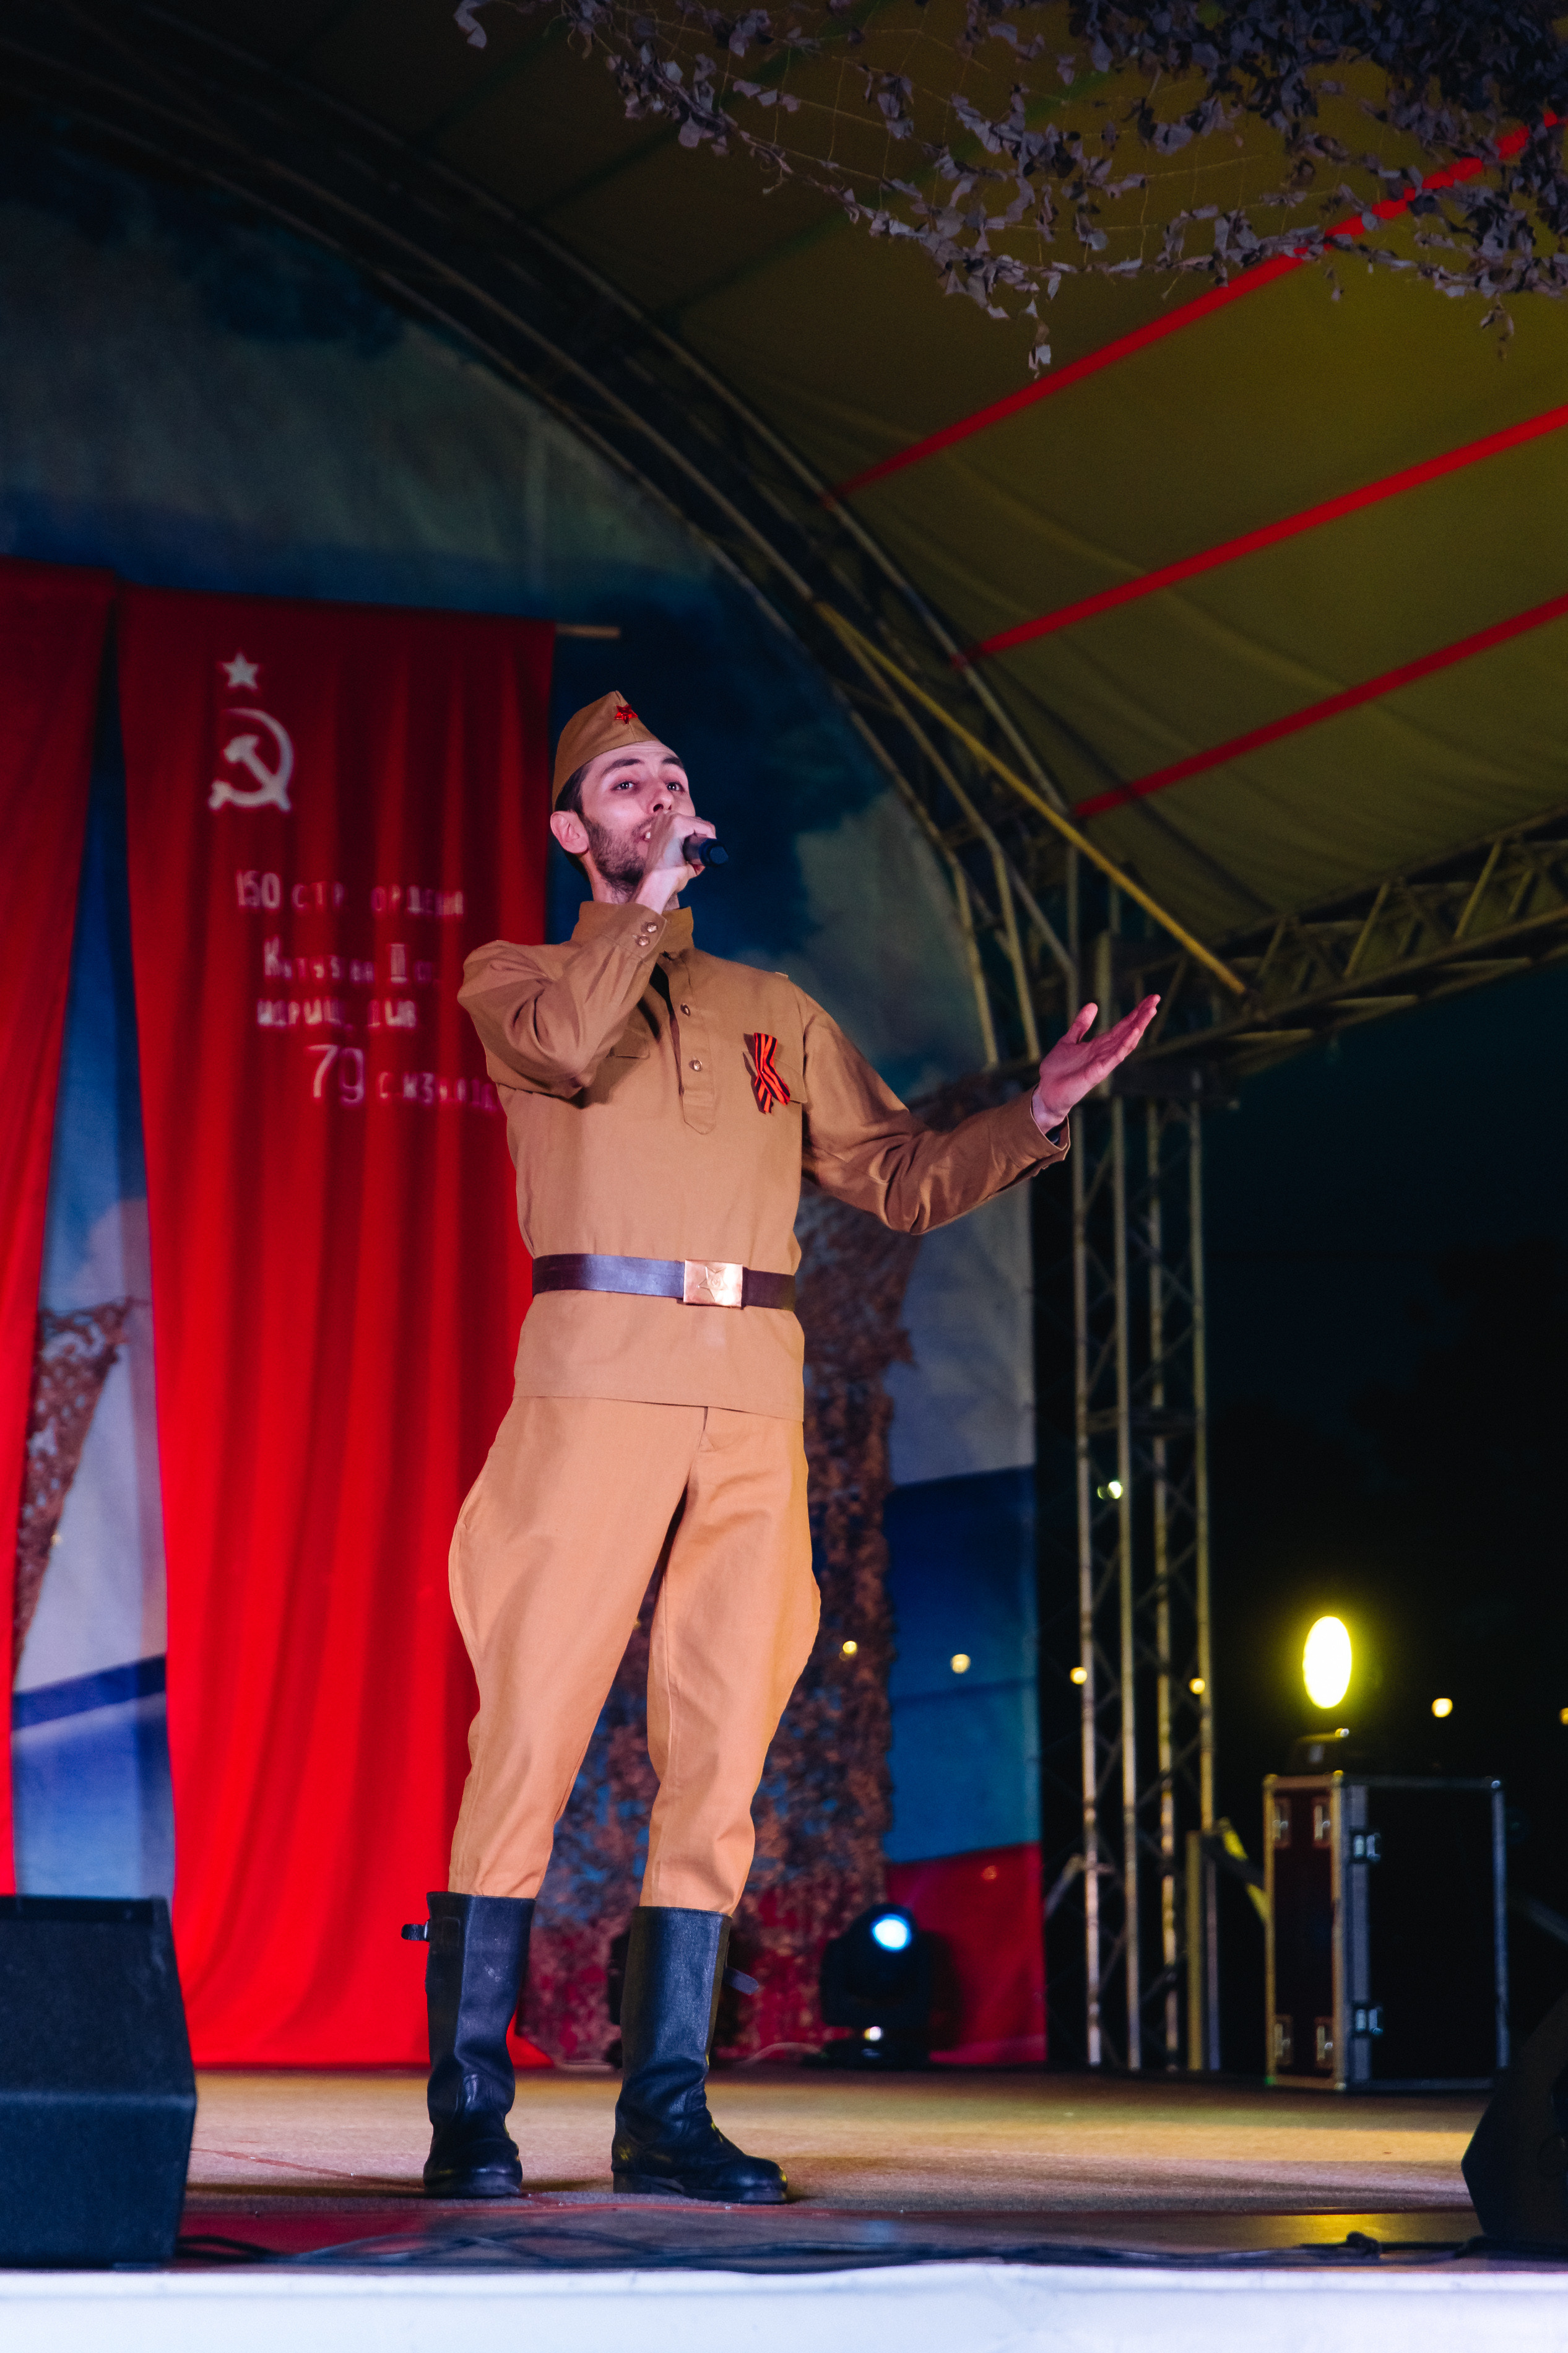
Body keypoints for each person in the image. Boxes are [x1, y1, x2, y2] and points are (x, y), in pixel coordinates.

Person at [410, 690, 1158, 2203]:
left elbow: (893, 1176)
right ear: (577, 830)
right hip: (592, 1381)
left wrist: (1036, 1115)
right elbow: (565, 1046)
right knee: (531, 1736)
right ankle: (468, 2107)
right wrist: (646, 908)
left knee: (724, 1747)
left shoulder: (776, 1008)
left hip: (753, 1394)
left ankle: (664, 2106)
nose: (661, 791)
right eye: (630, 783)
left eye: (673, 774)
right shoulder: (521, 975)